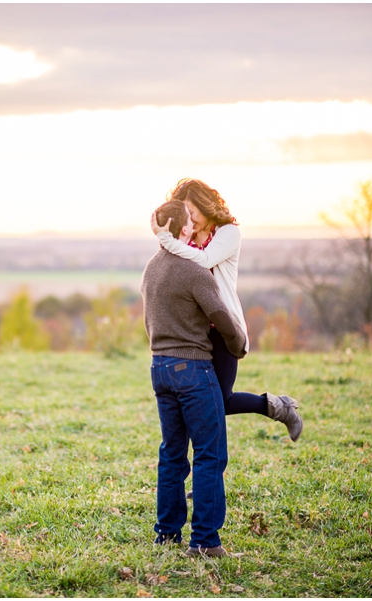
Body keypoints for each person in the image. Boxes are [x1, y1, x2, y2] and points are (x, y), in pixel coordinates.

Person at [151, 178, 302, 442]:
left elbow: (205, 260)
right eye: (184, 213)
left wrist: (166, 238)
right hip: (192, 334)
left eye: (192, 211)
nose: (189, 218)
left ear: (204, 205)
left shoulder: (228, 233)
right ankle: (191, 480)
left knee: (220, 400)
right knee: (197, 407)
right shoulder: (184, 238)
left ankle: (279, 407)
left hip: (221, 329)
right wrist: (170, 236)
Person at [140, 199, 242, 558]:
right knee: (210, 455)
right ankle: (205, 542)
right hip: (193, 370)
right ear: (183, 229)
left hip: (159, 368)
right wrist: (238, 344)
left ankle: (167, 535)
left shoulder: (151, 269)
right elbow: (222, 318)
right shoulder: (194, 271)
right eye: (190, 221)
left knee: (171, 454)